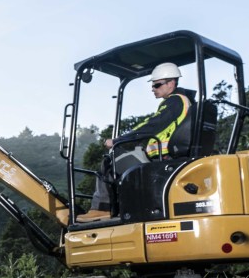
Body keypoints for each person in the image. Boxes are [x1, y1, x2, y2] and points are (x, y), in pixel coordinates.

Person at [77, 62, 197, 223]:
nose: (153, 88)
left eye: (157, 84)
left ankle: (102, 208)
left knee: (110, 161)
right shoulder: (184, 102)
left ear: (171, 83)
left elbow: (152, 125)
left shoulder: (175, 101)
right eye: (153, 85)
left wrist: (118, 140)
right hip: (167, 157)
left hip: (163, 159)